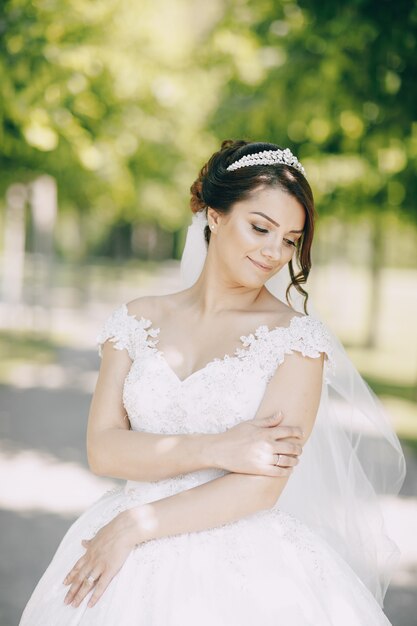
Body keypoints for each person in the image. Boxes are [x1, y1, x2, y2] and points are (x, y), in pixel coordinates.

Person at [19, 140, 406, 625]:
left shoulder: (298, 341)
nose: (273, 251)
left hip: (241, 565)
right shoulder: (135, 321)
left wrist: (136, 525)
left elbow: (259, 487)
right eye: (261, 227)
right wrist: (219, 447)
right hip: (117, 547)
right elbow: (104, 450)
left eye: (290, 239)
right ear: (215, 215)